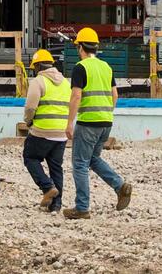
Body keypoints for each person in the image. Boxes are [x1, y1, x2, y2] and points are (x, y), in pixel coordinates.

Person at [64, 27, 130, 218]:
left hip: (88, 123)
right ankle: (119, 185)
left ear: (80, 47)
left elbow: (76, 96)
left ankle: (82, 208)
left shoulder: (80, 67)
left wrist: (69, 123)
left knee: (79, 163)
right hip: (105, 122)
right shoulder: (106, 67)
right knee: (93, 159)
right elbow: (115, 94)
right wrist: (107, 113)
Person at [19, 48, 68, 210]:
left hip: (42, 130)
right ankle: (56, 205)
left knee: (30, 158)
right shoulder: (65, 82)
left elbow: (30, 108)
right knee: (56, 167)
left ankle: (47, 188)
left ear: (38, 66)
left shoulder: (39, 82)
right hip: (61, 133)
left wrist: (28, 122)